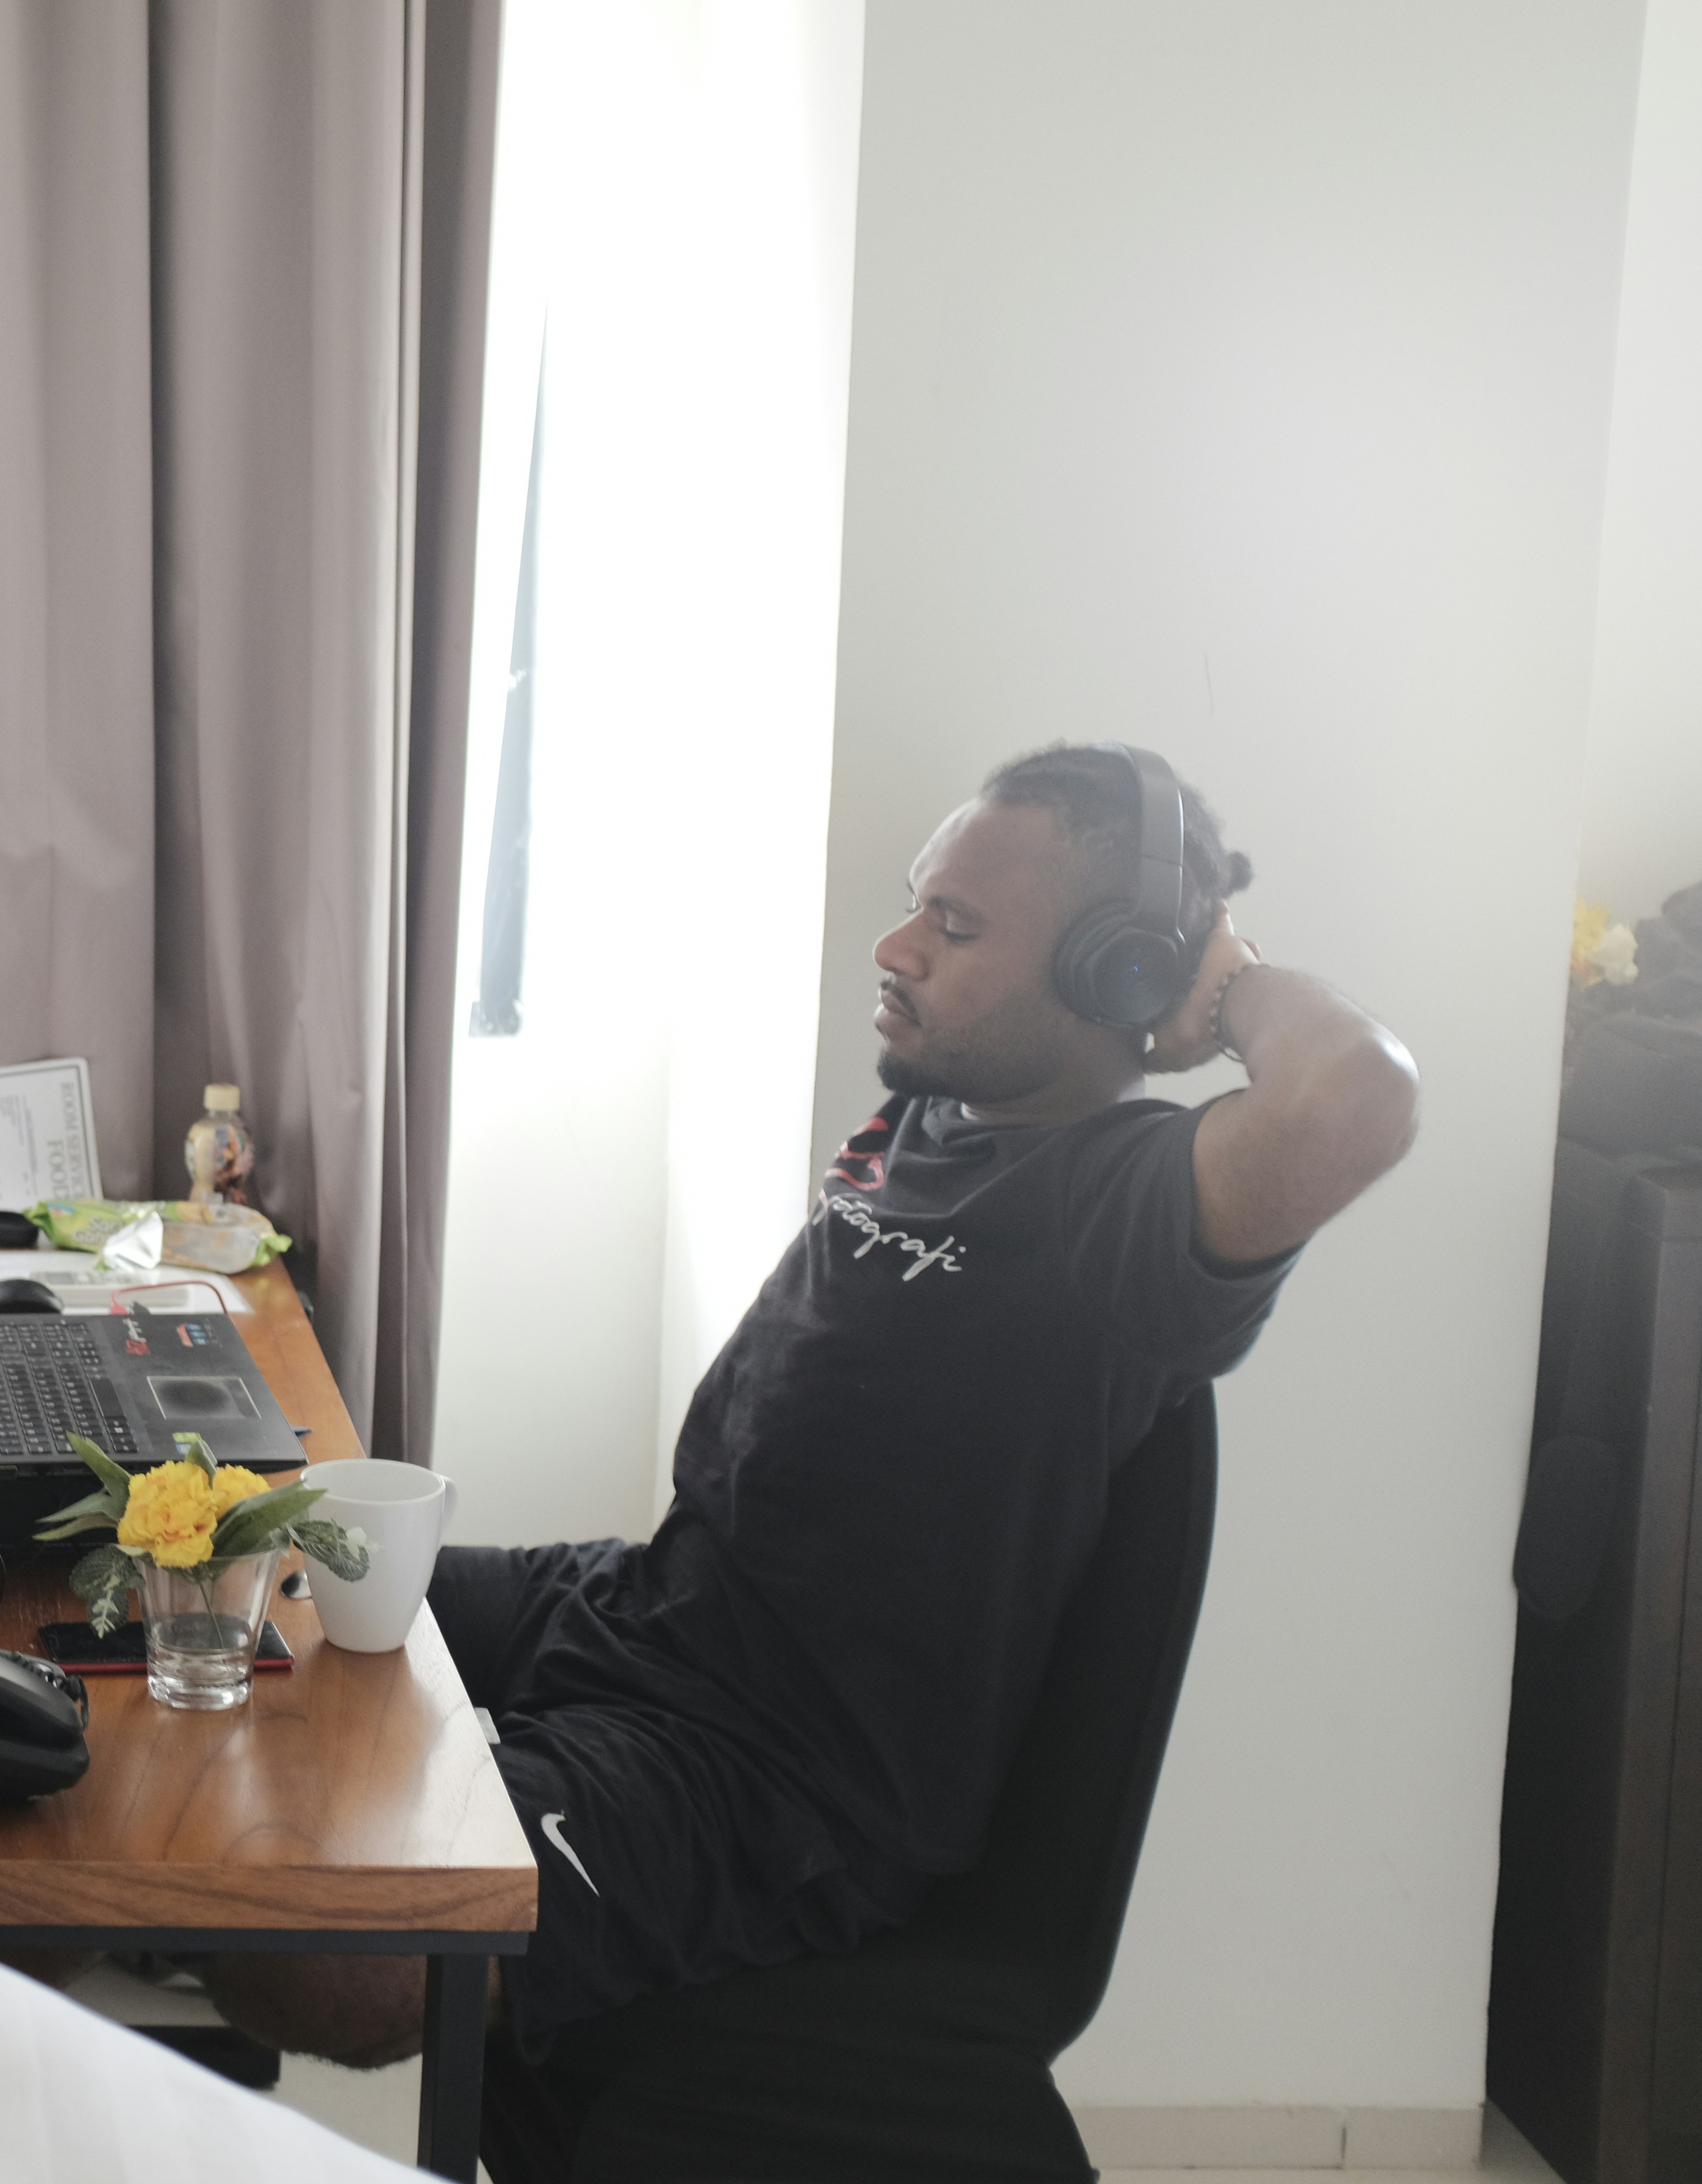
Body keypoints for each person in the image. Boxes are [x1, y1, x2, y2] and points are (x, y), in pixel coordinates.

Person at [208, 743, 1419, 2065]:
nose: (898, 944)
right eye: (919, 900)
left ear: (1109, 973)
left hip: (772, 1778)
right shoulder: (945, 1112)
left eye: (955, 926)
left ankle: (143, 1925)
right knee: (243, 1570)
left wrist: (1226, 979)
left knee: (329, 1955)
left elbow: (1356, 1101)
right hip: (648, 1609)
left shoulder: (1120, 1209)